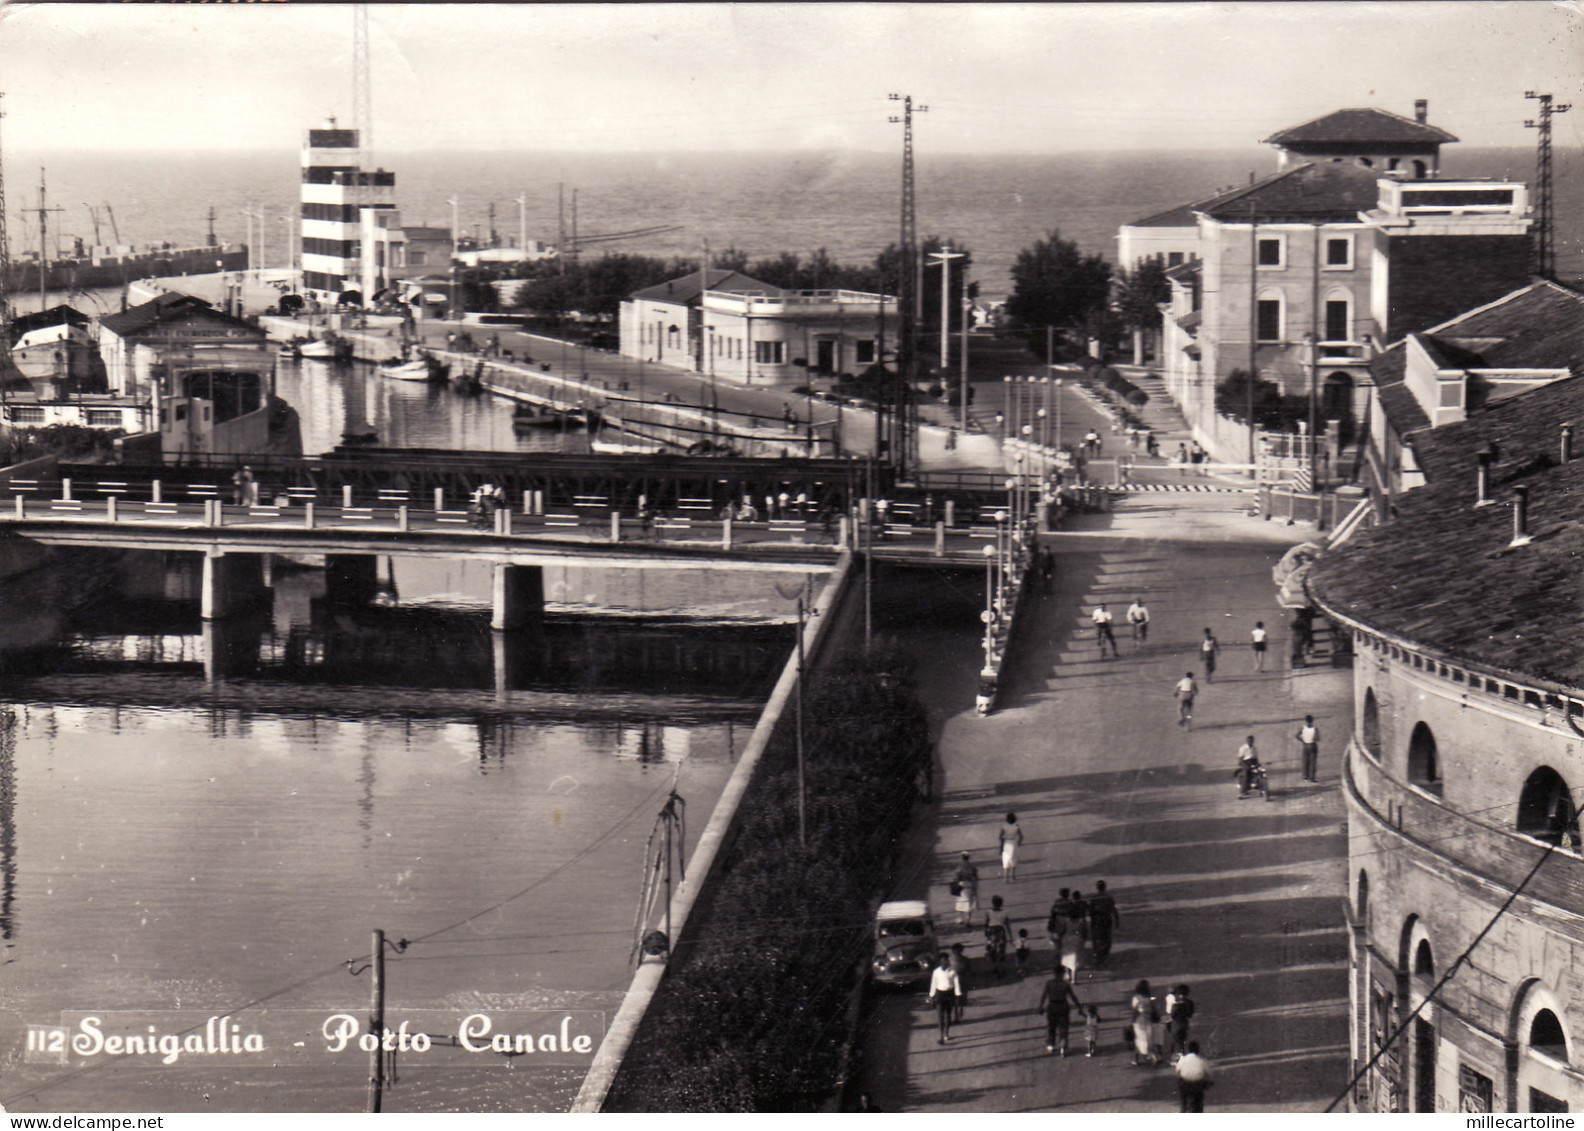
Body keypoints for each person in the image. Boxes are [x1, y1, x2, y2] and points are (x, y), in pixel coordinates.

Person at [1037, 967, 1084, 1056]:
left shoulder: (1049, 983)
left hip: (1052, 1006)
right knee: (1063, 1027)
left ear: (1054, 973)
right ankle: (1063, 1047)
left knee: (1052, 1026)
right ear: (1062, 974)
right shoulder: (1065, 984)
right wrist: (1079, 1008)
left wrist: (1040, 1007)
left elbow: (1044, 996)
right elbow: (1073, 997)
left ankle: (1051, 1044)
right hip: (1063, 1006)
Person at [927, 952, 960, 1043]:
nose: (946, 962)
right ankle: (941, 1036)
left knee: (948, 1016)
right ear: (940, 962)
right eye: (943, 960)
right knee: (940, 1016)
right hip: (940, 994)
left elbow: (956, 984)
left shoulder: (952, 971)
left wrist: (958, 995)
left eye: (947, 960)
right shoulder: (936, 972)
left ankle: (946, 1033)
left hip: (949, 994)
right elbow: (933, 984)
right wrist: (931, 996)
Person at [1176, 1041, 1214, 1111]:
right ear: (1198, 1050)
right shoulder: (1202, 1060)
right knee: (1199, 1101)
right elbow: (1210, 1074)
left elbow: (1177, 1071)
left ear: (1188, 1050)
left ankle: (1183, 1108)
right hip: (1197, 1085)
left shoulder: (1183, 1059)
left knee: (1183, 1101)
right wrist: (1210, 1082)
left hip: (1185, 1084)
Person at [1088, 879, 1120, 962]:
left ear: (1097, 887)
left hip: (1097, 920)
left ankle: (1098, 955)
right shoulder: (1109, 897)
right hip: (1106, 919)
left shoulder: (1094, 898)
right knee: (1106, 937)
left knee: (1097, 938)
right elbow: (1114, 910)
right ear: (1104, 887)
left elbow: (1090, 911)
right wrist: (1117, 922)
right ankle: (1105, 954)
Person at [1130, 980, 1157, 1066]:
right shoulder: (1149, 999)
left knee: (1137, 1039)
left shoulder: (1136, 999)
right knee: (1148, 1039)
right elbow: (1153, 1010)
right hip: (1147, 1020)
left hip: (1138, 1021)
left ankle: (1136, 1059)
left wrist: (1132, 1021)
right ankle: (1152, 1055)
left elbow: (1135, 1010)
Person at [985, 895, 1013, 971]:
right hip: (1001, 931)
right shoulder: (1004, 913)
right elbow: (1007, 926)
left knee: (992, 949)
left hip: (992, 931)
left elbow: (986, 923)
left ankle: (994, 967)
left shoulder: (988, 912)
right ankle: (1000, 967)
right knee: (1001, 949)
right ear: (1001, 904)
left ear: (992, 903)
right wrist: (1011, 937)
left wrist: (986, 933)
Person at [952, 852, 979, 927]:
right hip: (969, 885)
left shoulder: (959, 867)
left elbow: (956, 877)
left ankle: (961, 918)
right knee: (969, 903)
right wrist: (975, 886)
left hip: (961, 885)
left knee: (960, 902)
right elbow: (976, 877)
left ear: (962, 857)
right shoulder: (972, 867)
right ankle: (968, 920)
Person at [1168, 984, 1196, 1058]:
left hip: (1176, 1024)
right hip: (1185, 1024)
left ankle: (1176, 1058)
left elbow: (1172, 1015)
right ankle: (1182, 1055)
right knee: (1182, 1041)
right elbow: (1190, 1015)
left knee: (1175, 1041)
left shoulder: (1175, 1002)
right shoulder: (1190, 1003)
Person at [998, 812, 1024, 881]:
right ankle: (1013, 876)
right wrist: (1019, 842)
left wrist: (1002, 842)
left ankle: (1006, 877)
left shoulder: (1004, 826)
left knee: (1006, 859)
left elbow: (1000, 837)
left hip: (1006, 843)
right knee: (1013, 858)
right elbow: (1021, 836)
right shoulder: (1016, 826)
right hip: (1013, 843)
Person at [949, 942, 970, 1024]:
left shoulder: (965, 959)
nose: (959, 951)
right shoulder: (949, 960)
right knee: (955, 999)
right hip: (953, 981)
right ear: (954, 950)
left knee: (961, 998)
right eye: (957, 950)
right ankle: (955, 1015)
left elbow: (969, 970)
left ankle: (960, 1013)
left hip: (962, 980)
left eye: (960, 950)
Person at [1296, 715, 1321, 782]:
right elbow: (1318, 738)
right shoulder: (1315, 728)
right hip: (1312, 745)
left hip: (1305, 745)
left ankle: (1305, 777)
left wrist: (1303, 740)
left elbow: (1297, 736)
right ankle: (1312, 777)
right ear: (1312, 721)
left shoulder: (1303, 728)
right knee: (1312, 762)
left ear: (1305, 721)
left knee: (1305, 761)